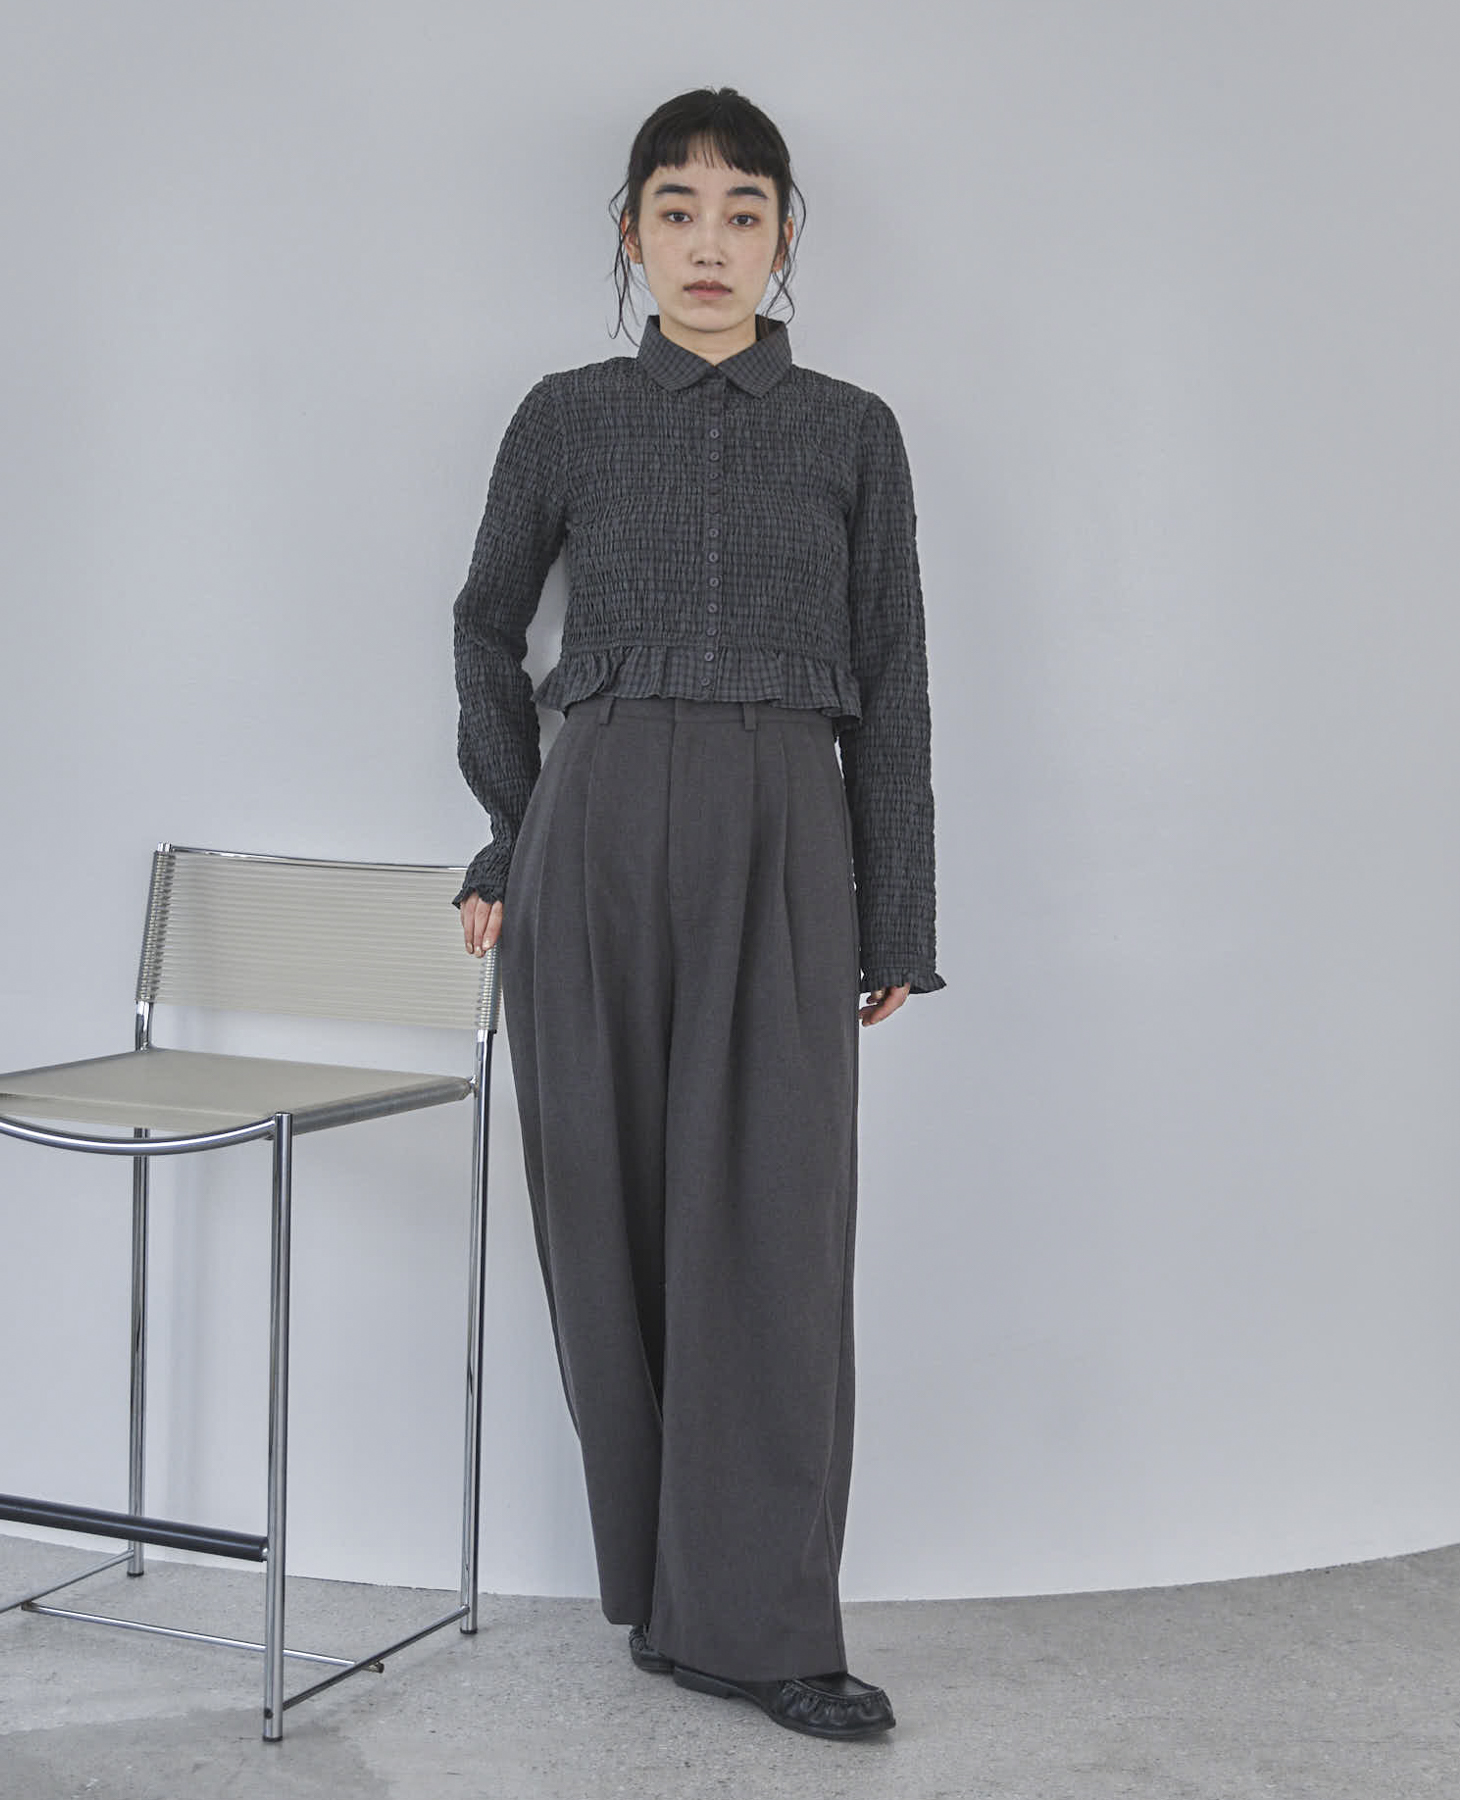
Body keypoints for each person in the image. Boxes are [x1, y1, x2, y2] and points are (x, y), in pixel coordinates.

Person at [451, 85, 943, 1742]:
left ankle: (766, 1627)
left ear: (785, 235)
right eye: (678, 210)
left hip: (785, 837)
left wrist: (895, 908)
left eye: (744, 213)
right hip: (591, 833)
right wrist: (510, 836)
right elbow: (484, 625)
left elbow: (895, 678)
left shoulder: (853, 431)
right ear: (631, 233)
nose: (710, 243)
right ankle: (671, 1604)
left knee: (773, 1236)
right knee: (609, 1224)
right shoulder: (566, 418)